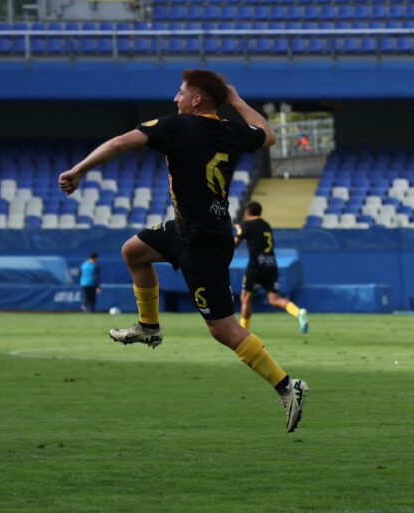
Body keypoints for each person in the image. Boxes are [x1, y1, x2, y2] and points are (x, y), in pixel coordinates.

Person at [59, 69, 308, 433]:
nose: (175, 99)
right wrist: (236, 100)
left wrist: (79, 169)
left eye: (180, 93)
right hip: (193, 228)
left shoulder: (179, 126)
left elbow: (119, 143)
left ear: (196, 100)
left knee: (222, 329)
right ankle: (149, 326)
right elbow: (267, 134)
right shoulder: (232, 130)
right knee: (134, 251)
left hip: (202, 240)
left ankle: (288, 387)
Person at [235, 201, 309, 333]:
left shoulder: (246, 224)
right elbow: (255, 239)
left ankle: (243, 332)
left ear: (247, 212)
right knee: (274, 299)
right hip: (271, 264)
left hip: (256, 264)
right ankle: (299, 313)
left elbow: (236, 243)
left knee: (246, 298)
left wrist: (239, 232)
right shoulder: (266, 225)